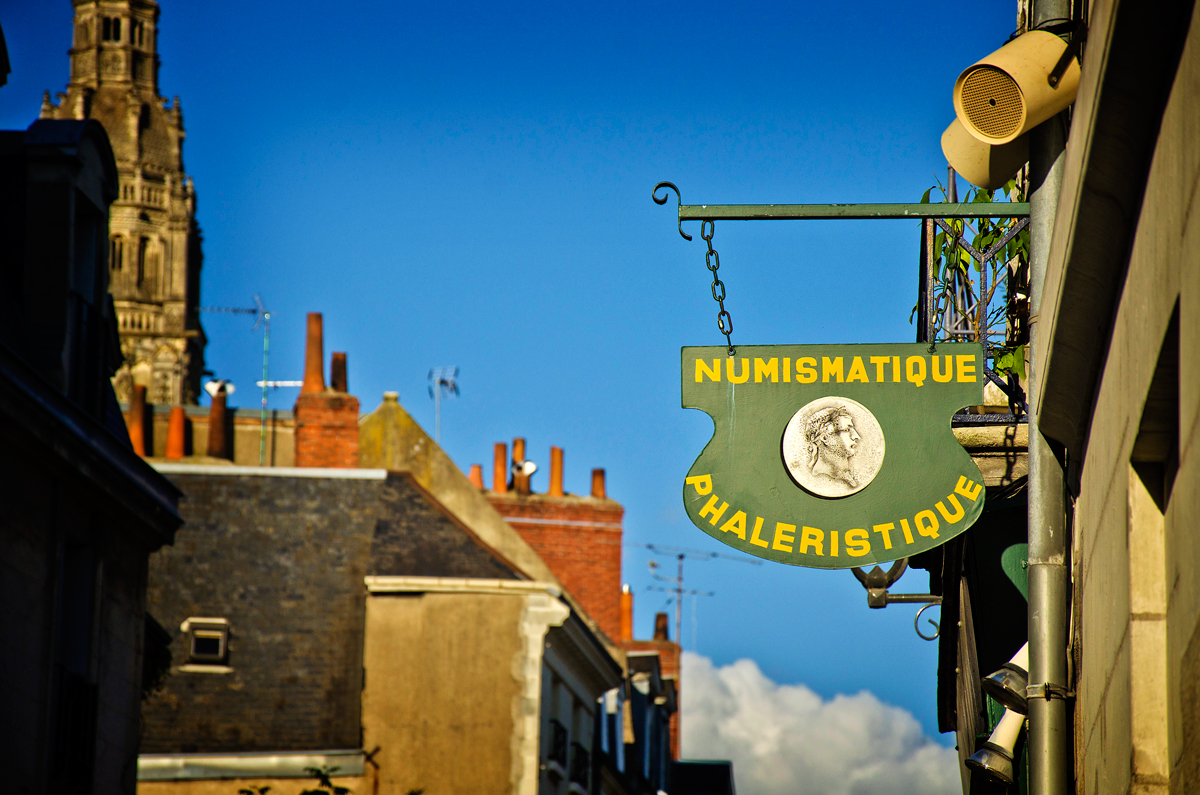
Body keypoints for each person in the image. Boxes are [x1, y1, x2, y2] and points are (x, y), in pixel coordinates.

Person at [804, 405, 861, 488]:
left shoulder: (850, 479)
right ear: (825, 437)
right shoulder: (819, 482)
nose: (856, 436)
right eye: (846, 430)